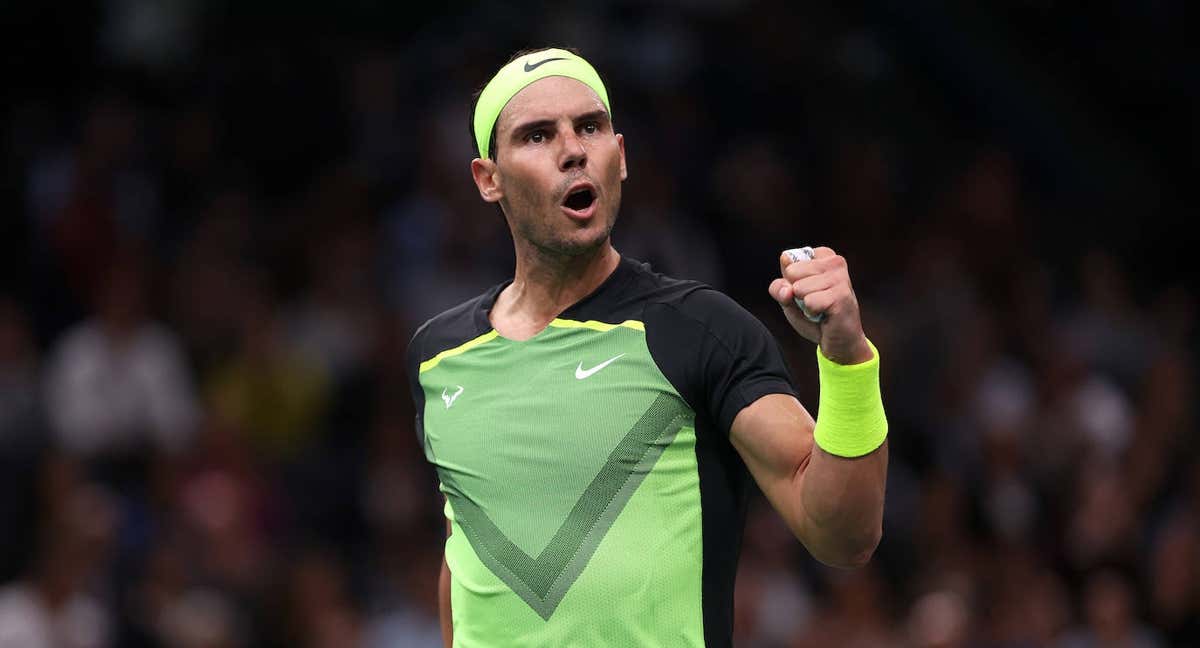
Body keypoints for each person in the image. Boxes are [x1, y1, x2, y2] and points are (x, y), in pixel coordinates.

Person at [404, 47, 888, 648]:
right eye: (537, 135)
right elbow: (466, 558)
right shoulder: (439, 357)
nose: (573, 149)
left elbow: (843, 535)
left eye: (590, 126)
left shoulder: (698, 329)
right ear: (488, 179)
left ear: (620, 156)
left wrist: (845, 359)